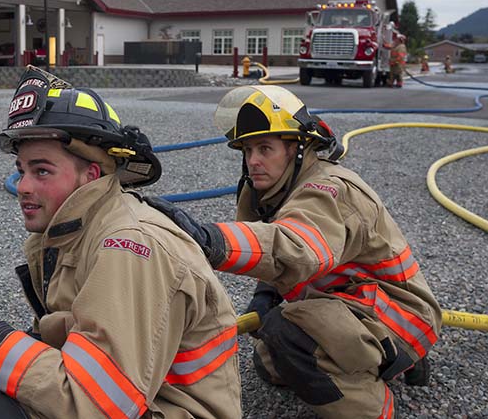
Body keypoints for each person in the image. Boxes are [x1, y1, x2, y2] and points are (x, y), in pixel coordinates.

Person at [0, 66, 243, 418]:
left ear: (91, 175)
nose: (23, 186)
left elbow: (101, 406)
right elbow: (75, 336)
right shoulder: (79, 229)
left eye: (42, 171)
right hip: (143, 398)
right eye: (22, 169)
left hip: (166, 409)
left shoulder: (131, 247)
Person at [148, 86, 442, 419]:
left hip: (400, 312)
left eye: (264, 149)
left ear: (297, 150)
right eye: (246, 150)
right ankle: (384, 363)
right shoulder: (269, 190)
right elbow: (277, 255)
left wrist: (208, 238)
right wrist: (265, 293)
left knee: (288, 334)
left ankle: (376, 407)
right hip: (347, 304)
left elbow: (297, 246)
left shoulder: (329, 190)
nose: (253, 161)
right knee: (269, 362)